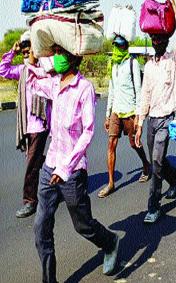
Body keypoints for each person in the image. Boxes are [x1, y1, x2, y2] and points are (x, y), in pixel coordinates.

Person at [30, 45, 120, 282]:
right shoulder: (52, 84)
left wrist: (66, 168)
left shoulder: (84, 89)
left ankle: (110, 242)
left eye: (61, 52)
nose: (57, 57)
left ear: (74, 57)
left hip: (72, 172)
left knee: (83, 225)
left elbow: (87, 132)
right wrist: (31, 56)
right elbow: (29, 81)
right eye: (55, 52)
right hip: (50, 166)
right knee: (41, 228)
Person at [134, 0, 176, 224]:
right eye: (154, 38)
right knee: (160, 163)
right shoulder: (149, 66)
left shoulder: (172, 61)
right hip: (151, 122)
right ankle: (174, 176)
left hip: (166, 120)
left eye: (160, 38)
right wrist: (138, 124)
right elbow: (144, 96)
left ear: (165, 40)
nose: (156, 41)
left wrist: (175, 9)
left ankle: (153, 207)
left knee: (155, 164)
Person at [0, 32, 50, 218]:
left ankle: (30, 201)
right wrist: (11, 52)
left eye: (28, 51)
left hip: (39, 125)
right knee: (38, 160)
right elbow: (3, 70)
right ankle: (59, 178)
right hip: (26, 125)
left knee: (31, 165)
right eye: (23, 52)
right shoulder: (22, 70)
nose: (26, 55)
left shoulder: (43, 71)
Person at [99, 35, 151, 198]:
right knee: (111, 144)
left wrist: (138, 115)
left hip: (130, 111)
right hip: (116, 110)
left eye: (121, 46)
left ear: (125, 47)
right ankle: (111, 183)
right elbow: (112, 91)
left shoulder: (132, 63)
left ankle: (146, 165)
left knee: (134, 144)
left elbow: (138, 89)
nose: (118, 49)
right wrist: (107, 114)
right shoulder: (113, 65)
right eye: (116, 46)